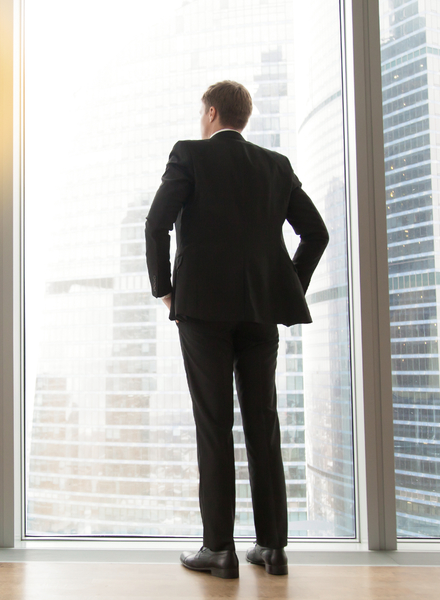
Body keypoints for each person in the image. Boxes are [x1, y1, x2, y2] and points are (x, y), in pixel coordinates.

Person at [144, 80, 329, 579]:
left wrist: (166, 289)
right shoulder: (275, 165)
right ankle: (272, 548)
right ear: (242, 118)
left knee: (214, 424)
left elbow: (157, 222)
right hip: (259, 312)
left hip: (202, 310)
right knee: (262, 425)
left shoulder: (189, 155)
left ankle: (219, 549)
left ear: (210, 113)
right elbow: (317, 233)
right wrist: (283, 284)